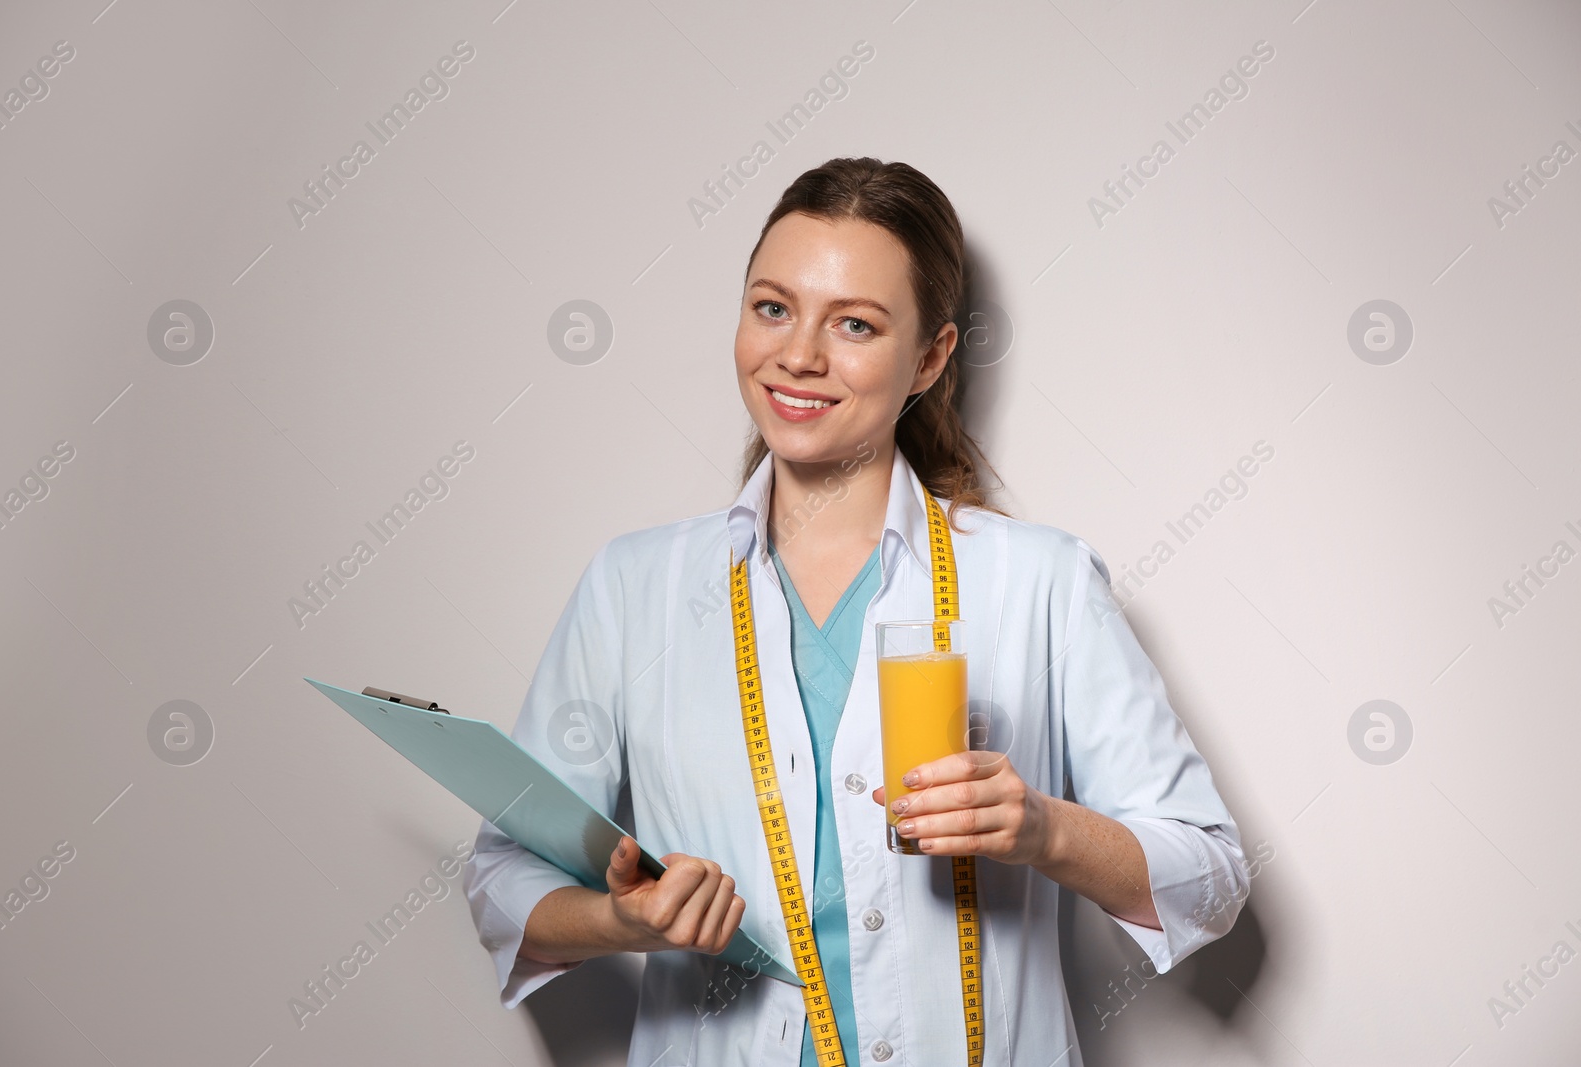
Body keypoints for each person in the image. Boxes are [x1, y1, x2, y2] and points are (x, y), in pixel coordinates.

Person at [464, 157, 1249, 1067]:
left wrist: (1043, 828)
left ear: (930, 358)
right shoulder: (633, 587)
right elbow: (503, 879)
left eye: (855, 324)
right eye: (772, 307)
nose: (798, 354)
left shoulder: (1042, 582)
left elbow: (1213, 873)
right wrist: (620, 917)